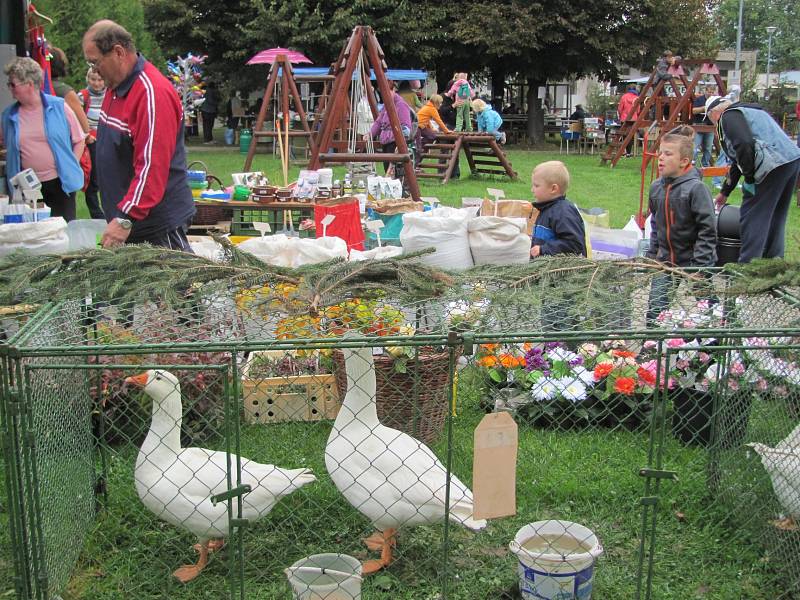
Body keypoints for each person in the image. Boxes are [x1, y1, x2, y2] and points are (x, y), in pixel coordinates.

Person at [82, 20, 195, 249]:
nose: (94, 71)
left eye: (95, 63)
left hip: (156, 226)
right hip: (133, 224)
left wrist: (125, 218)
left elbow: (151, 166)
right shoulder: (115, 88)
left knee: (170, 285)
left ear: (118, 52)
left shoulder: (151, 93)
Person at [706, 95, 800, 262]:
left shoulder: (728, 116)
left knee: (752, 214)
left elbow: (744, 145)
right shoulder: (750, 110)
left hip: (772, 164)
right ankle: (772, 263)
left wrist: (749, 177)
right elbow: (738, 159)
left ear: (714, 112)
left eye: (711, 119)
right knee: (776, 215)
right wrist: (725, 191)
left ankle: (748, 266)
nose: (713, 123)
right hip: (791, 161)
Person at [645, 130, 717, 324]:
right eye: (660, 153)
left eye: (668, 154)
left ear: (684, 161)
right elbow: (655, 223)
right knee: (656, 310)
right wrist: (652, 256)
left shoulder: (696, 189)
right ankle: (651, 348)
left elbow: (708, 230)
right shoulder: (656, 187)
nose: (660, 158)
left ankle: (713, 346)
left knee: (709, 310)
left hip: (694, 261)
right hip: (666, 261)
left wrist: (700, 265)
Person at [1, 57, 85, 221]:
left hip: (61, 183)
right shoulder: (8, 115)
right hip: (27, 187)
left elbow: (79, 139)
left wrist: (70, 164)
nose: (10, 89)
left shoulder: (59, 106)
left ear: (29, 85)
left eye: (13, 84)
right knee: (35, 233)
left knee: (63, 231)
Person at [529, 161, 586, 258]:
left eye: (536, 186)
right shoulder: (546, 209)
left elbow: (574, 244)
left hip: (560, 270)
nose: (532, 190)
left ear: (553, 189)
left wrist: (543, 249)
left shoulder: (563, 212)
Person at [78, 67, 107, 218]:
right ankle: (96, 214)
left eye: (100, 80)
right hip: (91, 140)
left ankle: (111, 209)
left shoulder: (110, 95)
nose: (96, 83)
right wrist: (86, 135)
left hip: (107, 139)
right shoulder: (83, 96)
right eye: (93, 79)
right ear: (88, 79)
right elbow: (75, 119)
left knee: (108, 177)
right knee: (93, 179)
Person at [366, 83, 412, 175]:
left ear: (393, 90)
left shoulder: (401, 105)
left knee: (394, 171)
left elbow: (406, 127)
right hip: (386, 141)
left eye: (387, 92)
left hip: (395, 142)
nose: (385, 95)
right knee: (387, 168)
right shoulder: (386, 105)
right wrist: (370, 134)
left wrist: (399, 140)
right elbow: (379, 122)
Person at [415, 94, 451, 166]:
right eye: (440, 103)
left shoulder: (427, 107)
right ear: (436, 102)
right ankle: (415, 165)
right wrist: (446, 131)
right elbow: (439, 121)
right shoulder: (432, 109)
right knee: (418, 149)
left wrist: (432, 129)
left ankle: (422, 147)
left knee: (432, 136)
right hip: (417, 127)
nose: (441, 105)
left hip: (421, 126)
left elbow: (427, 120)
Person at [691, 85, 716, 167]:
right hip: (698, 126)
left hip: (710, 127)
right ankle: (692, 165)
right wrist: (705, 108)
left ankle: (705, 166)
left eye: (712, 92)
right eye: (709, 92)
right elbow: (694, 111)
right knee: (694, 149)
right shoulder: (699, 100)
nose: (711, 94)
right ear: (705, 91)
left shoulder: (715, 101)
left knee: (708, 149)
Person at [617, 86, 640, 157]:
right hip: (633, 119)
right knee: (631, 136)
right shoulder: (637, 98)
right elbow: (638, 110)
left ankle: (624, 151)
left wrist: (621, 115)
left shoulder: (624, 97)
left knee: (624, 135)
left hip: (624, 118)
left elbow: (620, 108)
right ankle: (629, 153)